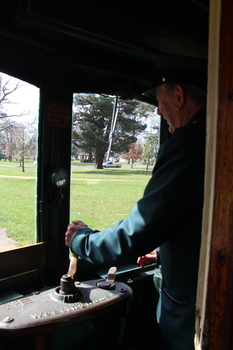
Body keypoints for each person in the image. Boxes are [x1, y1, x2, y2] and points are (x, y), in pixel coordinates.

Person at [65, 66, 207, 350]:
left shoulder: (190, 144)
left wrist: (82, 240)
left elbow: (136, 232)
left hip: (192, 314)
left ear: (178, 96)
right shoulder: (214, 136)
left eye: (159, 99)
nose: (157, 111)